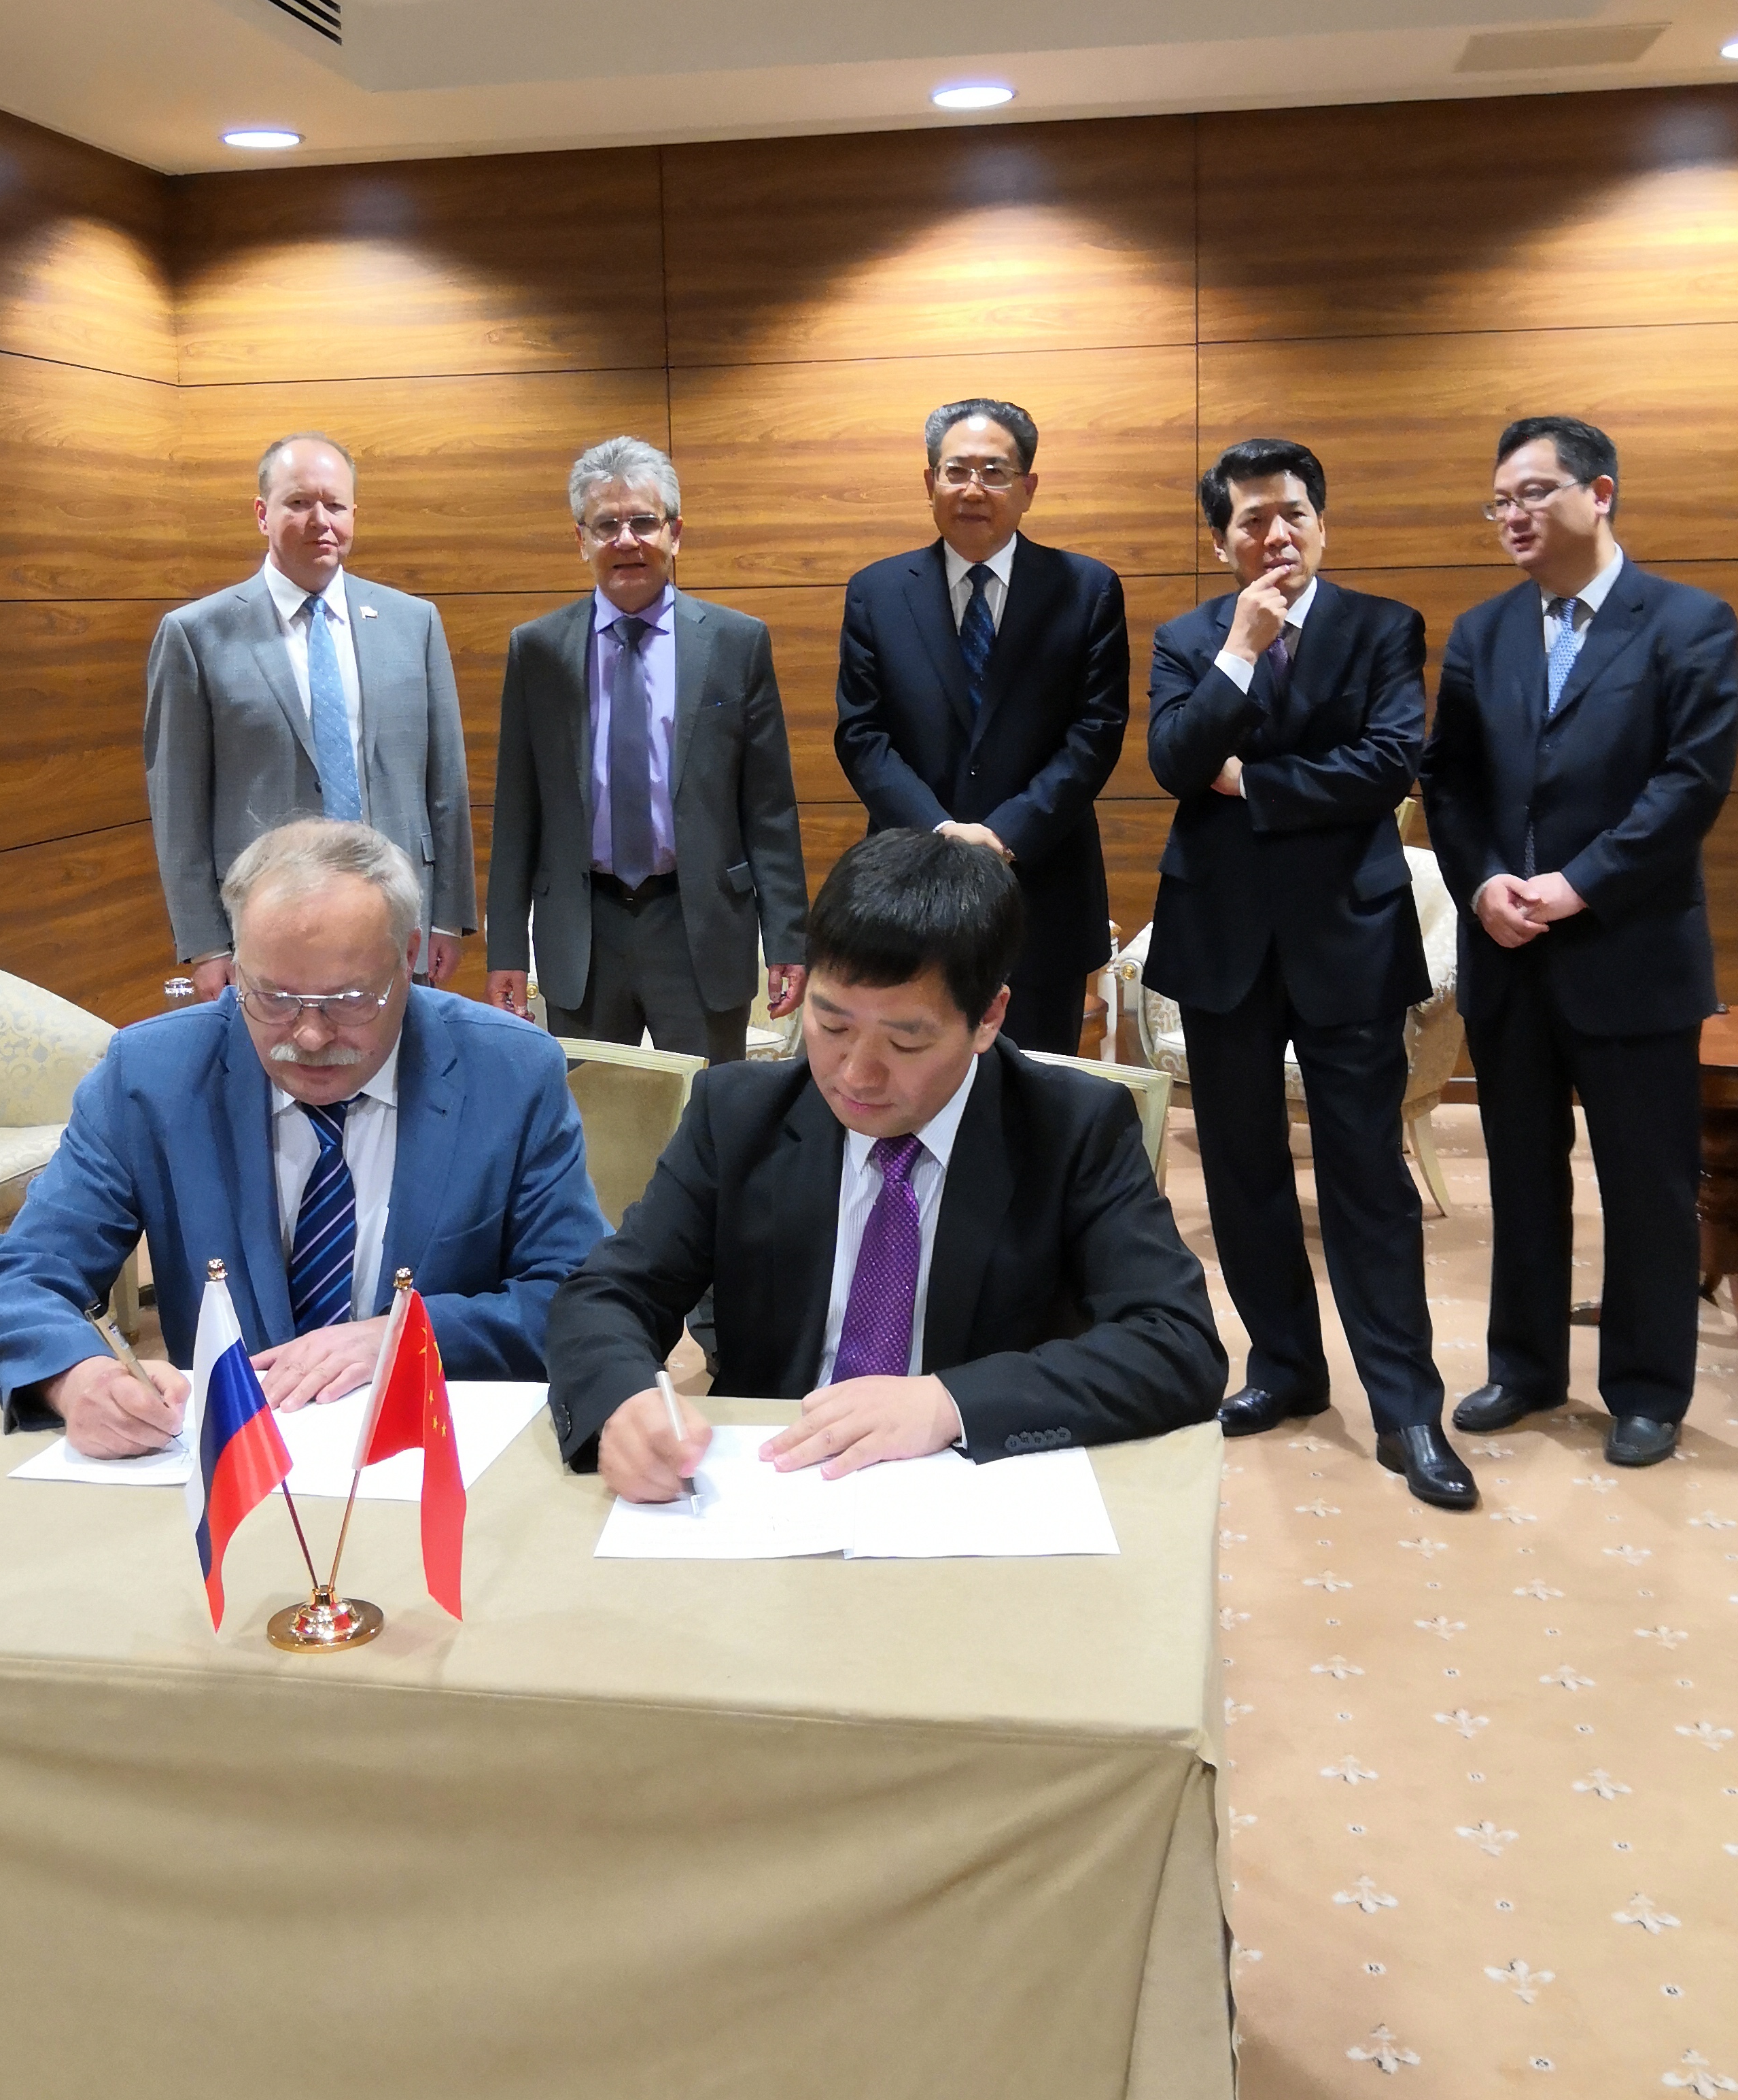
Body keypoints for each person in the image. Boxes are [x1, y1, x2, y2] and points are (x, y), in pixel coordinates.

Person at [545, 830, 1225, 1499]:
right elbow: (610, 1294)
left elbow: (1177, 1344)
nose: (856, 1075)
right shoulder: (738, 1115)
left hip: (979, 1495)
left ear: (989, 1018)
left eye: (905, 1042)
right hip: (776, 1488)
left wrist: (950, 1401)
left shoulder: (1072, 1127)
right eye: (833, 1026)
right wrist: (624, 1399)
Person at [0, 820, 604, 1453]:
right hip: (236, 1469)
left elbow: (581, 1297)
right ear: (237, 965)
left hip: (441, 1457)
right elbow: (22, 1277)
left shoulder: (510, 1073)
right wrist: (79, 1380)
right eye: (272, 998)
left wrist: (411, 1336)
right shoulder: (151, 1077)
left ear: (408, 957)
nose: (310, 1036)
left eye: (348, 1000)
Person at [1147, 438, 1469, 1511]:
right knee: (1242, 1175)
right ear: (1222, 541)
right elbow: (1175, 763)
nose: (1275, 534)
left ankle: (1407, 1408)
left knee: (1366, 1178)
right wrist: (1241, 652)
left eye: (1293, 514)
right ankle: (1284, 1368)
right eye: (1252, 520)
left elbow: (1387, 764)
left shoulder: (1383, 627)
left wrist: (1253, 782)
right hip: (1222, 944)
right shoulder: (1190, 639)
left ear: (1322, 524)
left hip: (1348, 939)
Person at [1421, 415, 1738, 1469]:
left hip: (1631, 949)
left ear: (1599, 494)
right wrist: (1482, 885)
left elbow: (1690, 783)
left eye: (1534, 493)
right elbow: (1450, 782)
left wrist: (1577, 885)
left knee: (1648, 1181)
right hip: (1509, 950)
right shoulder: (1484, 633)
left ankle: (1647, 1389)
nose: (1512, 516)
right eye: (1499, 501)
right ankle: (1524, 1367)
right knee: (1520, 1172)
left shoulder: (1688, 622)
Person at [484, 435, 809, 1063]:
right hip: (585, 928)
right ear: (581, 540)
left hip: (697, 922)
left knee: (709, 1105)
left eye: (643, 522)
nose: (626, 541)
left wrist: (788, 938)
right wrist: (506, 954)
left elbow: (769, 808)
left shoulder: (736, 643)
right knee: (592, 1107)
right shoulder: (539, 650)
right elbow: (517, 812)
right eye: (607, 525)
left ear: (674, 533)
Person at [833, 400, 1128, 1054]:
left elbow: (1096, 733)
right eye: (956, 470)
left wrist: (1004, 836)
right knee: (910, 1071)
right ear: (930, 482)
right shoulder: (876, 592)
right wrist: (942, 833)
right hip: (908, 887)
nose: (973, 489)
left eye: (994, 472)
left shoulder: (1087, 589)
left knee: (1034, 1084)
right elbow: (862, 735)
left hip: (1041, 888)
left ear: (1028, 488)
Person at [145, 432, 476, 1002]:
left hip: (396, 915)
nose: (320, 520)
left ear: (354, 515)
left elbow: (446, 785)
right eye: (298, 503)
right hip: (267, 923)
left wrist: (449, 915)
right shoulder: (196, 635)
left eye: (335, 505)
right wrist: (206, 946)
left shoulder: (414, 623)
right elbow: (179, 808)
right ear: (262, 514)